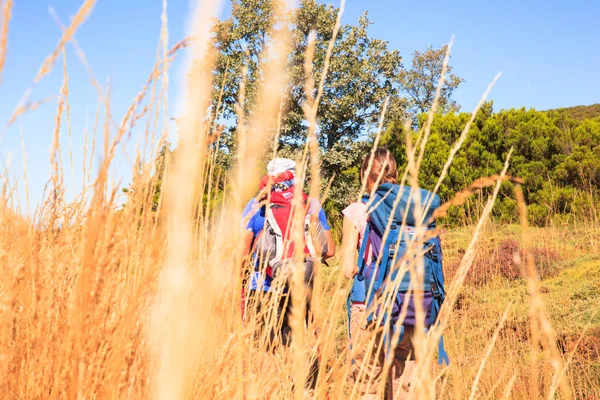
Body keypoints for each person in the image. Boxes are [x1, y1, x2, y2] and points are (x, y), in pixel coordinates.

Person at [341, 148, 447, 399]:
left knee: (368, 383)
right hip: (412, 305)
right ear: (396, 174)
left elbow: (347, 270)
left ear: (365, 177)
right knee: (405, 386)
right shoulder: (417, 211)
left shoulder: (357, 211)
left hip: (369, 308)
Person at [241, 157, 335, 349]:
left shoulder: (255, 204)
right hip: (299, 287)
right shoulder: (311, 203)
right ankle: (295, 379)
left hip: (261, 287)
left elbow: (242, 252)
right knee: (293, 345)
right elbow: (330, 250)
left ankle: (267, 378)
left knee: (264, 348)